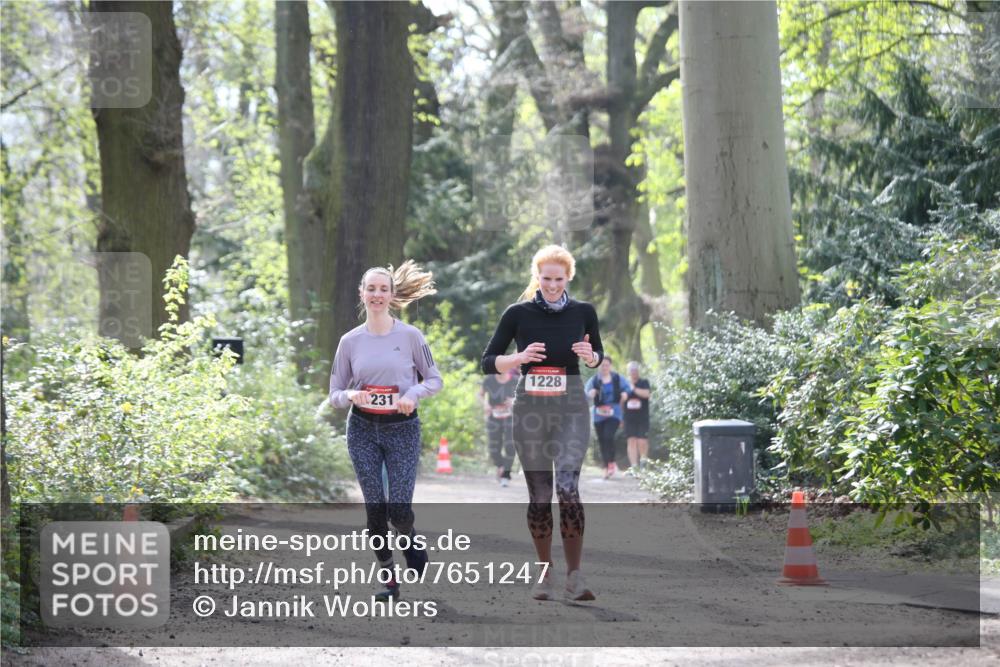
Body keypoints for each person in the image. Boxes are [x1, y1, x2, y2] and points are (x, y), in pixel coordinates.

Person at [481, 244, 604, 602]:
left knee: (568, 487)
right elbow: (489, 361)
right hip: (531, 408)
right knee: (539, 495)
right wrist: (518, 357)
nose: (552, 285)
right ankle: (545, 573)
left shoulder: (584, 311)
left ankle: (576, 576)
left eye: (558, 279)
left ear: (569, 278)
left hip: (571, 406)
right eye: (546, 279)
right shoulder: (517, 313)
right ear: (537, 277)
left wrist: (591, 356)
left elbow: (598, 353)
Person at [328, 261, 442, 601]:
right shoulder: (349, 342)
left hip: (402, 430)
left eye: (383, 289)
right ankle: (389, 581)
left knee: (399, 510)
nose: (377, 294)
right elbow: (334, 393)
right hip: (362, 428)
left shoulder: (410, 336)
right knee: (375, 510)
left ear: (392, 296)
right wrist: (350, 394)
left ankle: (408, 537)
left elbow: (434, 379)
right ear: (362, 294)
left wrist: (412, 394)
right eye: (371, 289)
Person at [586, 357, 631, 479]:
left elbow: (628, 388)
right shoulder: (594, 380)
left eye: (606, 365)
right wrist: (590, 394)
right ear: (599, 367)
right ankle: (607, 467)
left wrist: (625, 393)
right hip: (599, 414)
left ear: (610, 366)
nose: (604, 367)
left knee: (608, 436)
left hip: (614, 413)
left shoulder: (617, 378)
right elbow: (585, 394)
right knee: (602, 441)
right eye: (602, 365)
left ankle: (611, 462)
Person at [480, 368, 518, 486]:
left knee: (510, 445)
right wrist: (485, 404)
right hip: (494, 417)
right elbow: (480, 394)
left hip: (511, 417)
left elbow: (525, 396)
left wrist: (514, 400)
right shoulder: (489, 380)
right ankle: (501, 466)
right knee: (493, 449)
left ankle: (505, 474)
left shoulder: (516, 381)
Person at [623, 361, 652, 474]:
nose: (633, 372)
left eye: (635, 370)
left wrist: (633, 388)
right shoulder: (624, 384)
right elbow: (621, 399)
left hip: (642, 417)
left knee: (642, 441)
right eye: (631, 370)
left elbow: (647, 394)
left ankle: (643, 464)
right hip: (628, 418)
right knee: (631, 441)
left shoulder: (644, 382)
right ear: (628, 372)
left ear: (638, 371)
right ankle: (634, 467)